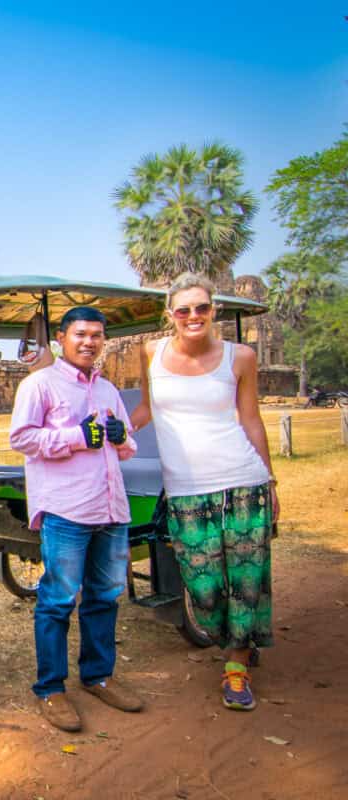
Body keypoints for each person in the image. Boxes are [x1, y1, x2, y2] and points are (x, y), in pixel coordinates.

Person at [131, 272, 280, 712]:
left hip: (241, 482)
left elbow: (251, 420)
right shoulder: (150, 352)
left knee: (246, 582)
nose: (193, 316)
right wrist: (110, 430)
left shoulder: (241, 357)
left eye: (202, 308)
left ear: (213, 310)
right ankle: (235, 636)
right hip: (187, 490)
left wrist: (270, 481)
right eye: (183, 309)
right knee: (204, 587)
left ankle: (236, 668)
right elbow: (145, 407)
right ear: (170, 315)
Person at [10, 306, 144, 732]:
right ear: (62, 338)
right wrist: (75, 437)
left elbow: (125, 448)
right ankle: (51, 688)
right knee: (58, 600)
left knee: (104, 596)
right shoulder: (40, 385)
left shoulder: (108, 391)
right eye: (81, 334)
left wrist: (124, 439)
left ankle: (99, 675)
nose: (89, 342)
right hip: (68, 510)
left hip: (110, 507)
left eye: (97, 335)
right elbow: (22, 438)